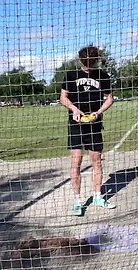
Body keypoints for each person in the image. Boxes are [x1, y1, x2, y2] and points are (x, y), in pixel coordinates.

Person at [60, 45, 116, 216]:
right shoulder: (70, 75)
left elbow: (110, 99)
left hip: (94, 125)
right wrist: (74, 109)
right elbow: (63, 97)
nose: (89, 67)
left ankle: (98, 196)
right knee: (76, 162)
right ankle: (77, 201)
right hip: (76, 125)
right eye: (87, 63)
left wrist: (98, 112)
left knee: (97, 161)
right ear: (81, 60)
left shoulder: (103, 75)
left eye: (93, 63)